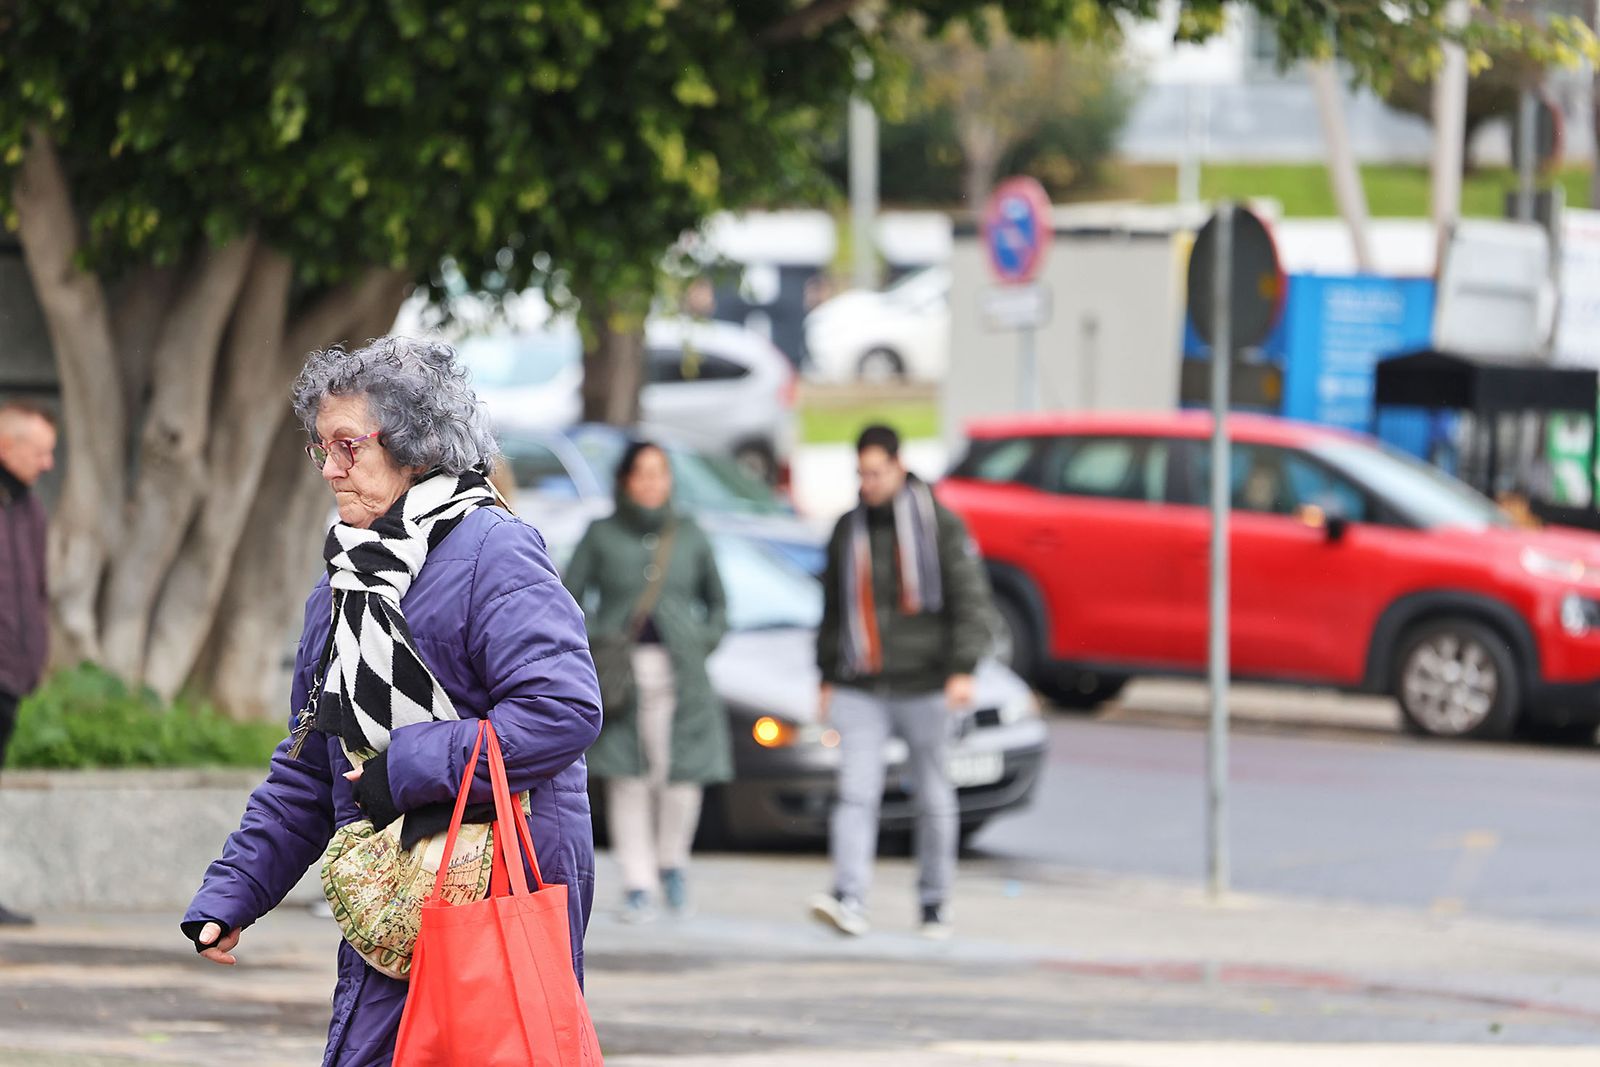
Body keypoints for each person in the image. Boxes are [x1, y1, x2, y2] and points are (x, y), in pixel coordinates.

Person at [182, 337, 602, 1067]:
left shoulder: (494, 550)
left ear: (416, 446)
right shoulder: (343, 583)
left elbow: (561, 710)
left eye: (349, 445)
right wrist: (234, 891)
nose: (331, 469)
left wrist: (402, 769)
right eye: (322, 448)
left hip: (498, 884)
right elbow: (310, 763)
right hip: (393, 891)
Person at [810, 424, 993, 940]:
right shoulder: (849, 529)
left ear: (899, 466)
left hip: (926, 683)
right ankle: (849, 897)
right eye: (861, 474)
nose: (868, 484)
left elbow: (971, 601)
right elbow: (833, 609)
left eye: (876, 473)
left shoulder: (940, 525)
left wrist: (962, 669)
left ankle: (935, 902)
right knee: (856, 793)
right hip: (861, 684)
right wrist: (826, 674)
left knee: (933, 796)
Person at [563, 440, 729, 923]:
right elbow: (569, 597)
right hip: (622, 675)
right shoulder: (601, 533)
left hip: (683, 674)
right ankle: (638, 882)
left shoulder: (691, 534)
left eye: (661, 473)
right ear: (626, 480)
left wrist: (701, 640)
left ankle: (672, 863)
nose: (653, 483)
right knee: (627, 778)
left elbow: (718, 605)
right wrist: (600, 638)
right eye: (643, 473)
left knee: (681, 776)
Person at [0, 401, 56, 928]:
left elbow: (35, 590)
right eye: (39, 452)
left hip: (10, 676)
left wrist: (35, 653)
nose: (47, 463)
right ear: (6, 446)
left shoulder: (30, 508)